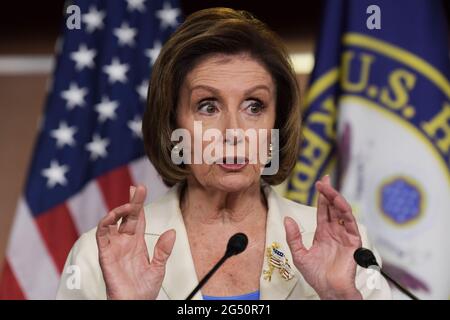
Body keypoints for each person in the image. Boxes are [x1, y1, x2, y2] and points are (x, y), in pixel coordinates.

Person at [56, 8, 391, 300]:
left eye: (254, 106)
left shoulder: (344, 247)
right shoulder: (101, 255)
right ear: (174, 127)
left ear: (276, 124)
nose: (234, 132)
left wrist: (339, 296)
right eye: (208, 106)